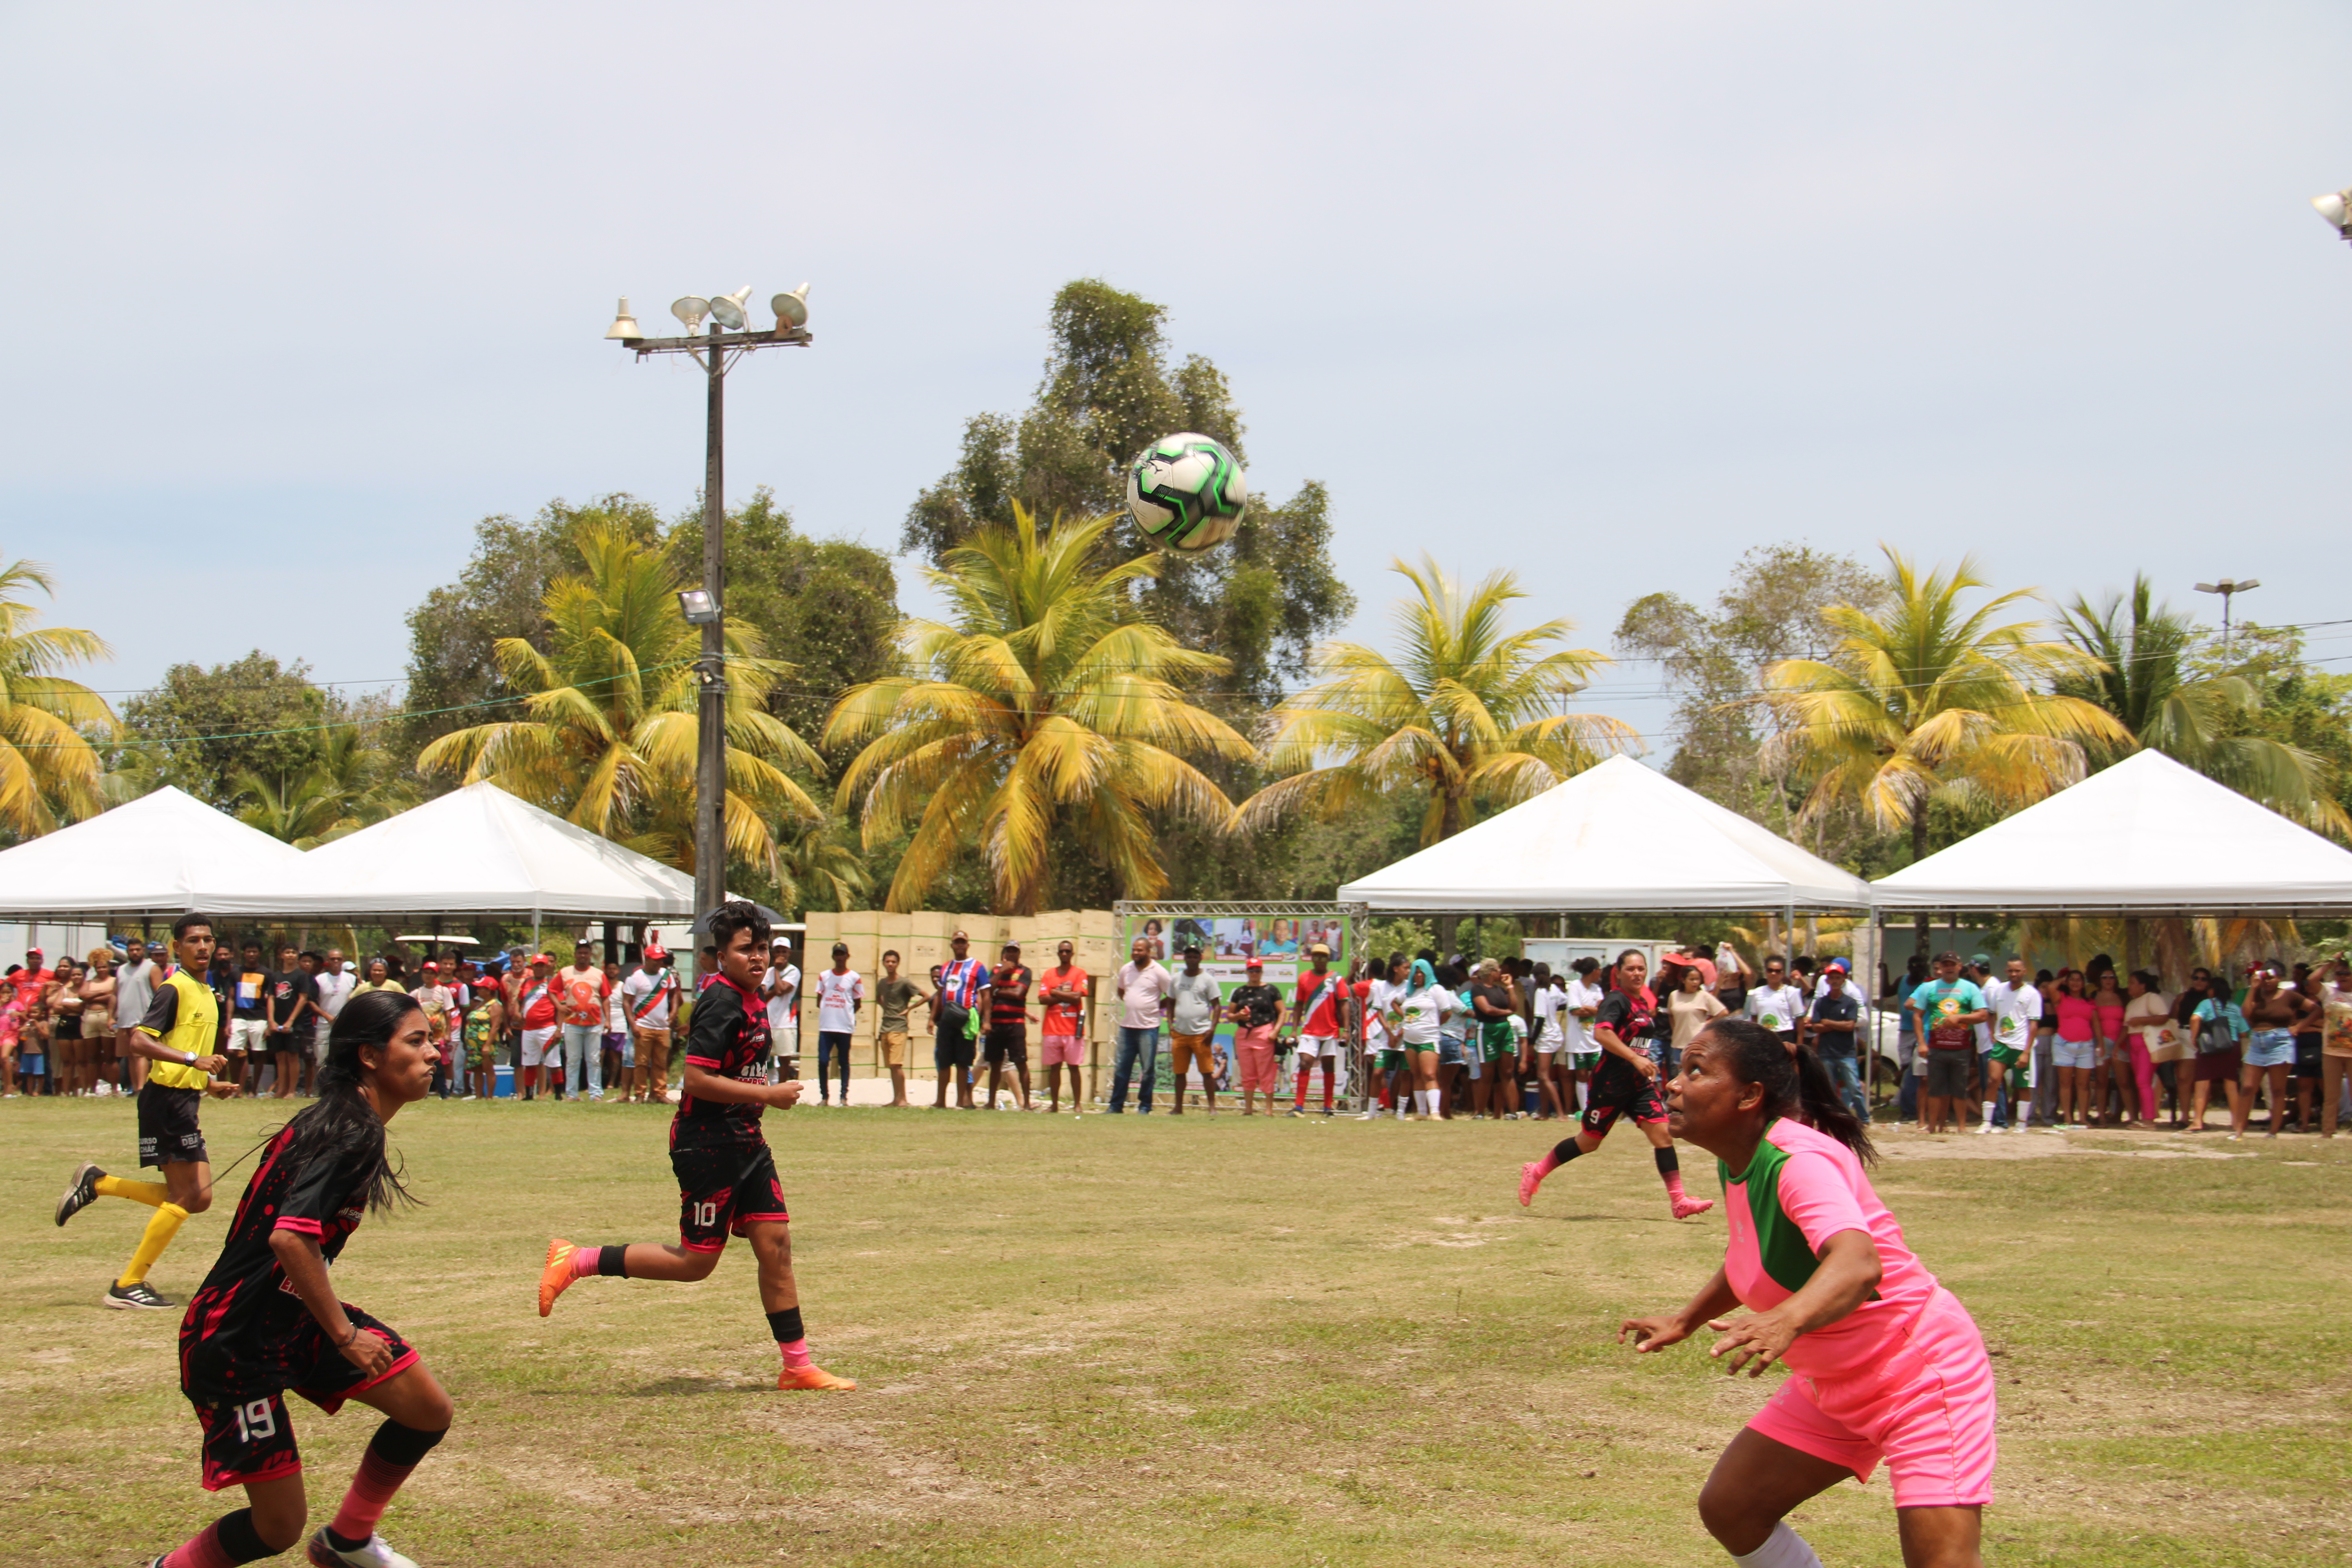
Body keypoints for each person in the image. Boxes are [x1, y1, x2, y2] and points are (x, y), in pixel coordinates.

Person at [1619, 1016, 1994, 1568]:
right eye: (1679, 1070)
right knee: (1733, 1507)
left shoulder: (1799, 1162)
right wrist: (1687, 1318)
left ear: (1750, 1096)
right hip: (1838, 1384)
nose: (1674, 1084)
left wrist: (1786, 1319)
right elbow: (1754, 1257)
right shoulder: (1742, 1160)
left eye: (1696, 1071)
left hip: (1919, 1377)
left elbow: (1858, 1263)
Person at [134, 987, 452, 1568]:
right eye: (417, 1040)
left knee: (427, 1409)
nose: (435, 1053)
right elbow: (290, 1236)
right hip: (235, 1337)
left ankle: (347, 1542)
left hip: (289, 1317)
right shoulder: (351, 1129)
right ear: (370, 1056)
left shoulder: (348, 1118)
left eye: (432, 1039)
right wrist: (345, 1336)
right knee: (278, 1525)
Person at [539, 900, 855, 1393]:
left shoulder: (753, 1000)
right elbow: (696, 1079)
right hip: (706, 1144)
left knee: (776, 1245)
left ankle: (798, 1366)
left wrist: (762, 1096)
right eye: (745, 949)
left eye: (763, 949)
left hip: (746, 1141)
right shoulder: (722, 1001)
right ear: (721, 956)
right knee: (695, 1264)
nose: (757, 957)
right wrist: (767, 1094)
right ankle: (576, 1260)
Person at [53, 915, 235, 1310]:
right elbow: (138, 1040)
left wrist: (209, 1082)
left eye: (207, 940)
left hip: (183, 1098)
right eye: (193, 941)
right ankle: (128, 1283)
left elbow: (187, 1050)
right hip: (166, 1101)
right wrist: (194, 1060)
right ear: (177, 948)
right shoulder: (174, 988)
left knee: (197, 1197)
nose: (202, 947)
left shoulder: (207, 990)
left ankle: (98, 1183)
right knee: (190, 1194)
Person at [1518, 950, 1714, 1221]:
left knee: (1663, 1136)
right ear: (1619, 973)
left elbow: (1637, 1041)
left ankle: (1679, 1200)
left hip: (1638, 1084)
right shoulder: (1616, 1000)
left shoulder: (1641, 1002)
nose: (1637, 974)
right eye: (1631, 969)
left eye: (1641, 969)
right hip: (1610, 1083)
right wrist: (1635, 1058)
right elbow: (1601, 1032)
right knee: (1588, 1143)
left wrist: (1643, 1060)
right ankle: (1536, 1172)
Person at [1906, 954, 1987, 1136]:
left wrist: (1960, 1017)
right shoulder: (1929, 987)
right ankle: (1932, 1126)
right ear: (1940, 968)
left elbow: (1982, 1015)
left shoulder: (1970, 988)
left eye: (1953, 965)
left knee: (1959, 1088)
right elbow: (1917, 1015)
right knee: (1935, 1088)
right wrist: (1922, 1044)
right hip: (1936, 1046)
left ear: (1960, 967)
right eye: (1946, 965)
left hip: (1961, 1047)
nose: (1949, 968)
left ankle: (1962, 1127)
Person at [2233, 962, 2313, 1142]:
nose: (2268, 982)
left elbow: (2316, 1009)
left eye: (2272, 978)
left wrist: (2300, 1026)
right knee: (2247, 1087)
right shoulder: (2256, 995)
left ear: (2280, 978)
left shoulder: (2290, 996)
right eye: (2265, 978)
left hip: (2281, 1041)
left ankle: (2273, 1131)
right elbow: (2245, 1014)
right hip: (2257, 1042)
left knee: (2278, 1090)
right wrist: (2253, 989)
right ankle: (2238, 1130)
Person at [922, 930, 991, 1111]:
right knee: (944, 1060)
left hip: (966, 1018)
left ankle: (962, 1100)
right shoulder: (946, 968)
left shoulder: (977, 967)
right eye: (957, 942)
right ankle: (941, 1101)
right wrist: (932, 1019)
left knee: (963, 1061)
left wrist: (986, 1021)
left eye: (963, 942)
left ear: (968, 945)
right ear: (952, 945)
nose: (960, 945)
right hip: (947, 1018)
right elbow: (940, 993)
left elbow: (985, 995)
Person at [1978, 958, 2042, 1135]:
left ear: (2024, 971)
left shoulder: (2032, 994)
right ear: (2006, 971)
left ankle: (2022, 1123)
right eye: (2011, 971)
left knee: (2023, 1085)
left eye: (2018, 971)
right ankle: (1987, 1123)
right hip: (2002, 1044)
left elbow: (2034, 1024)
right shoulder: (1999, 990)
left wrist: (2027, 1052)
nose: (2014, 974)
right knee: (1993, 1081)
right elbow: (1991, 1014)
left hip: (2021, 1045)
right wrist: (1992, 1034)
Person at [1109, 935, 1171, 1114]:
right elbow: (1121, 992)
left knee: (1148, 1068)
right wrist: (1132, 1003)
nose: (1135, 953)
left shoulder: (1159, 972)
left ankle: (1144, 1106)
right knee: (1122, 1067)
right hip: (1127, 1027)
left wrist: (1156, 1007)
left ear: (1149, 952)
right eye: (1134, 950)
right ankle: (1116, 1106)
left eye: (1140, 950)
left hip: (1149, 1027)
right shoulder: (1126, 970)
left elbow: (1172, 995)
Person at [1287, 943, 1347, 1118]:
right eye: (1316, 956)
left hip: (1331, 1030)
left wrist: (1346, 1030)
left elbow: (1344, 1004)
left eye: (1323, 957)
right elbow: (1298, 1005)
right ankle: (1299, 1107)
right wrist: (1294, 1030)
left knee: (1328, 1066)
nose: (1319, 960)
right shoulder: (1304, 978)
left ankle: (1328, 1107)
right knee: (1305, 1062)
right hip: (1310, 1030)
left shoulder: (1336, 979)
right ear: (1311, 958)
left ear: (1329, 959)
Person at [1803, 964, 1867, 1125]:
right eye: (1832, 978)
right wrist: (1838, 1025)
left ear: (1844, 979)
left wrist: (1828, 1023)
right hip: (1826, 1052)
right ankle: (1832, 1118)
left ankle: (1864, 1118)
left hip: (1846, 1052)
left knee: (1855, 1088)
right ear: (1827, 980)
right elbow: (1816, 1026)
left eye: (1838, 978)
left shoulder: (1850, 1002)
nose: (1835, 981)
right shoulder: (1822, 1003)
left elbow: (1851, 1026)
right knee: (1829, 1090)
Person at [1167, 944, 1223, 1116]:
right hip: (1181, 1033)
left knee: (1207, 1072)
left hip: (1201, 1034)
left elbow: (1217, 1006)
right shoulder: (1176, 979)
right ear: (1184, 958)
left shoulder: (1208, 979)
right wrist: (1170, 1024)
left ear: (1200, 958)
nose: (1192, 959)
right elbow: (1170, 1002)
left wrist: (1212, 1028)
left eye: (1195, 956)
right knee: (1179, 1073)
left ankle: (1212, 1107)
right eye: (1189, 956)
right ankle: (1178, 1108)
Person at [2185, 975, 2246, 1133]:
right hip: (2232, 1047)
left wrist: (2194, 1037)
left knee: (2202, 1085)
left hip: (2210, 1047)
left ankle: (2197, 1121)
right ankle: (2237, 1123)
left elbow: (2195, 1018)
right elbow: (2244, 1032)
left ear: (2212, 991)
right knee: (2231, 1086)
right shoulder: (2235, 1008)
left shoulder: (2207, 1004)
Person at [1034, 941, 1088, 1116]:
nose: (1065, 954)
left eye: (1068, 952)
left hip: (1073, 1029)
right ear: (1058, 954)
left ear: (1073, 954)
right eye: (1062, 952)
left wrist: (1056, 993)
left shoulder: (1080, 974)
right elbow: (1042, 999)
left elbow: (1077, 997)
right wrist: (1066, 996)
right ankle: (1055, 1104)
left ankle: (1077, 1104)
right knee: (1054, 1068)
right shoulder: (1049, 974)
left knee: (1074, 1067)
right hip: (1052, 1028)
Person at [1227, 958, 1284, 1116]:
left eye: (1257, 970)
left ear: (1262, 972)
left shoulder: (1271, 990)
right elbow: (1230, 1016)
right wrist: (1240, 1015)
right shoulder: (1240, 992)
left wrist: (1275, 1031)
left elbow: (1282, 1012)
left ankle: (1269, 1109)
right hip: (1244, 1034)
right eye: (1251, 970)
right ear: (1246, 972)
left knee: (1266, 1072)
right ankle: (1248, 1109)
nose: (1254, 974)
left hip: (1264, 1032)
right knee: (1247, 1073)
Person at [622, 944, 679, 1103]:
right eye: (655, 960)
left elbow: (674, 995)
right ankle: (640, 1094)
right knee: (641, 1062)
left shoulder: (667, 975)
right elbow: (627, 1002)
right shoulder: (635, 978)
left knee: (661, 1062)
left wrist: (673, 1013)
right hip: (643, 1025)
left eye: (661, 960)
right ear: (647, 959)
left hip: (662, 1027)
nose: (659, 963)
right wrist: (633, 1024)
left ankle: (660, 1093)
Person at [554, 941, 609, 1103]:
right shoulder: (565, 973)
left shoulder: (598, 974)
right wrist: (559, 1006)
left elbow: (606, 998)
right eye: (580, 953)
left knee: (593, 1059)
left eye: (586, 953)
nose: (583, 956)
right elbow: (552, 990)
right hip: (572, 1022)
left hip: (595, 1022)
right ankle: (571, 1094)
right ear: (575, 955)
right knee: (573, 1059)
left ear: (590, 955)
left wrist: (608, 1020)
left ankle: (596, 1093)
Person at [811, 942, 864, 1108]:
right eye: (837, 955)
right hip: (826, 1027)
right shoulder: (824, 976)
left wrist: (845, 1013)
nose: (840, 958)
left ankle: (843, 1097)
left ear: (847, 956)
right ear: (833, 957)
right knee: (823, 1061)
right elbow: (819, 1000)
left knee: (844, 1062)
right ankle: (824, 1097)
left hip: (844, 1027)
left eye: (843, 954)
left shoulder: (854, 977)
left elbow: (858, 1003)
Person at [2121, 971, 2175, 1131]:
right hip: (2134, 1044)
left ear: (2142, 986)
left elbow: (2163, 1017)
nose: (2129, 986)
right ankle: (2145, 1117)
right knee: (2140, 1081)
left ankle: (2149, 1120)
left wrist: (2141, 1020)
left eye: (2132, 983)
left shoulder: (2152, 998)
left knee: (2143, 1081)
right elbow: (2126, 1027)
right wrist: (2119, 1045)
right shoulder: (2131, 1004)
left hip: (2147, 1043)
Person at [263, 944, 317, 1102]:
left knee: (293, 1057)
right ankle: (281, 1089)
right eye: (288, 952)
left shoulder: (301, 976)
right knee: (280, 1057)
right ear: (282, 955)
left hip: (295, 1023)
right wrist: (271, 1021)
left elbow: (303, 998)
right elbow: (271, 998)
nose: (291, 955)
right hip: (277, 1022)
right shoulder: (276, 976)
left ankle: (292, 1090)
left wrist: (291, 1021)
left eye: (294, 953)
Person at [984, 942, 1033, 1111]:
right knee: (995, 1064)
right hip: (996, 1024)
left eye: (1015, 952)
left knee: (1021, 1063)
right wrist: (1001, 973)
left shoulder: (1025, 972)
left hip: (1015, 1024)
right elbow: (987, 990)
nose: (1011, 955)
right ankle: (991, 1102)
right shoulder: (996, 971)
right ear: (1004, 953)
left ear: (1019, 954)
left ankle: (1026, 1103)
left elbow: (1018, 993)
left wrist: (998, 992)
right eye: (1008, 951)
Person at [1559, 957, 1604, 1117]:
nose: (1601, 972)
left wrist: (1587, 1009)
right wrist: (1592, 1009)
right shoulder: (1575, 987)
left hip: (1594, 1041)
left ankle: (1597, 1106)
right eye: (1599, 969)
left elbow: (1601, 1010)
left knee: (1599, 1074)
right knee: (1582, 1075)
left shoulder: (1596, 989)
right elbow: (1575, 1010)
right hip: (1577, 1041)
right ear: (1594, 971)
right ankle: (1586, 1110)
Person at [873, 948, 918, 1109]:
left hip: (899, 1027)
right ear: (884, 963)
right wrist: (886, 1008)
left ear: (898, 964)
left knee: (897, 1065)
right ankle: (896, 1098)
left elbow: (926, 995)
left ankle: (903, 1099)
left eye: (893, 962)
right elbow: (878, 998)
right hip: (885, 1027)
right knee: (891, 1066)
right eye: (888, 962)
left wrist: (908, 1009)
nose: (890, 964)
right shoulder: (882, 983)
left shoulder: (904, 983)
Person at [224, 942, 270, 1096]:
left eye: (255, 952)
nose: (252, 955)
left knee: (258, 1053)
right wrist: (228, 1022)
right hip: (239, 1017)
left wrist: (270, 1022)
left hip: (259, 1017)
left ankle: (254, 1089)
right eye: (249, 952)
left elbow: (271, 999)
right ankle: (236, 1087)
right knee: (233, 1051)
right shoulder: (235, 973)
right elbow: (230, 998)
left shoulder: (267, 973)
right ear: (244, 953)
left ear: (259, 954)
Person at [1669, 960, 1731, 1072]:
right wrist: (1675, 1030)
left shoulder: (1703, 996)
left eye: (1697, 980)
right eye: (1692, 979)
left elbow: (1723, 1013)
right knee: (1679, 1078)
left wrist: (1706, 1025)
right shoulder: (1674, 996)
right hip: (1678, 1045)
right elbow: (1671, 1015)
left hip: (1697, 1045)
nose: (1695, 983)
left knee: (1695, 1076)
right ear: (1683, 980)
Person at [115, 937, 159, 1096]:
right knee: (130, 1056)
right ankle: (135, 1088)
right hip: (124, 1019)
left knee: (140, 1054)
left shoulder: (151, 968)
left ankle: (142, 1088)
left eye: (138, 950)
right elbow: (116, 994)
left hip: (143, 1018)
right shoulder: (121, 970)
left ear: (143, 950)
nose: (135, 953)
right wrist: (111, 1016)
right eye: (131, 950)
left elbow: (159, 994)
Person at [2316, 958, 2352, 1138]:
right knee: (2332, 1095)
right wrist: (2329, 964)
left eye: (2347, 973)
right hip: (2331, 1052)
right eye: (2339, 973)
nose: (2343, 977)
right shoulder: (2329, 993)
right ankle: (2328, 1131)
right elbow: (2312, 982)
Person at [76, 947, 117, 1099]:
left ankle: (114, 1089)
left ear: (109, 967)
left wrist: (92, 997)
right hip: (90, 1017)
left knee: (110, 1056)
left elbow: (113, 997)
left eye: (104, 967)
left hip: (107, 1016)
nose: (101, 970)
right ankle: (91, 1089)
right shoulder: (89, 982)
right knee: (92, 1056)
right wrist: (103, 994)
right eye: (99, 967)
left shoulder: (115, 981)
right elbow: (83, 995)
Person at [761, 937, 802, 1086]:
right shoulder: (768, 971)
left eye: (784, 951)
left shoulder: (794, 972)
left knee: (785, 1059)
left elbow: (782, 990)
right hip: (767, 1021)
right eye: (778, 951)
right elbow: (761, 995)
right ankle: (764, 1088)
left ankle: (782, 1088)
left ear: (789, 953)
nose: (781, 954)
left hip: (786, 1022)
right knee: (763, 1058)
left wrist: (778, 971)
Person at [1744, 956, 1806, 1053]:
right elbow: (1754, 1018)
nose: (1774, 974)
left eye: (1778, 971)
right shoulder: (1758, 993)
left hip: (1785, 1036)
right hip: (1764, 1036)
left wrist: (1799, 1046)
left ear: (1783, 973)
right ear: (1766, 972)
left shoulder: (1791, 992)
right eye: (1770, 970)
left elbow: (1800, 1020)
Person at [462, 979, 503, 1103]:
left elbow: (495, 1026)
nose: (478, 991)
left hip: (486, 1042)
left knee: (488, 1068)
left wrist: (488, 1045)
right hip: (474, 1044)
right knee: (477, 1069)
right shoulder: (480, 1004)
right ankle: (479, 1096)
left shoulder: (495, 1005)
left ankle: (489, 1096)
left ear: (489, 990)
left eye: (481, 989)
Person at [601, 959, 631, 1099]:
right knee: (599, 1054)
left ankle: (613, 1082)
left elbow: (627, 1003)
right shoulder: (602, 985)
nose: (612, 971)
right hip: (602, 1022)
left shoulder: (622, 986)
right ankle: (598, 1082)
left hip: (619, 1022)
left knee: (615, 1055)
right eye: (609, 969)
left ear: (618, 971)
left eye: (614, 969)